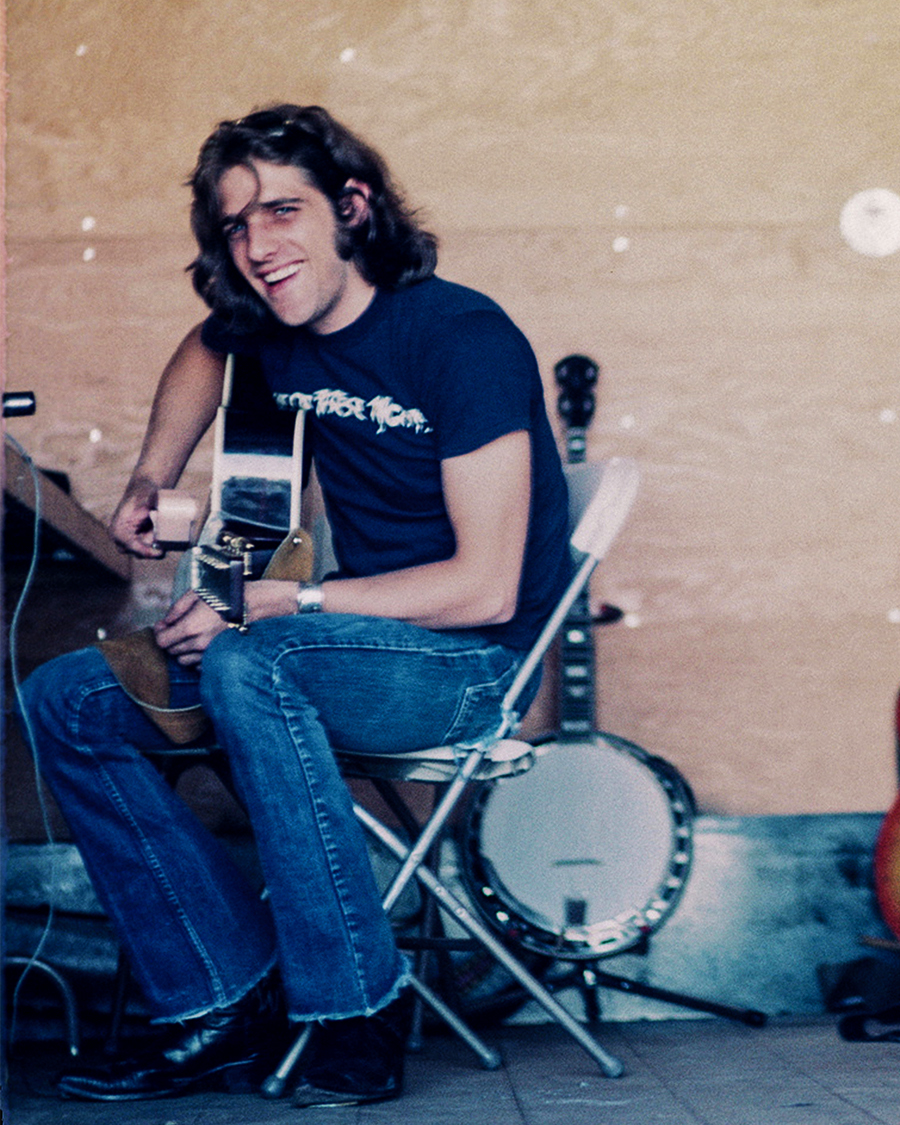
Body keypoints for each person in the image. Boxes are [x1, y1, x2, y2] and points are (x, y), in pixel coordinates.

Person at [17, 104, 572, 1106]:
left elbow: (484, 586)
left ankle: (355, 1009)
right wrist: (151, 473)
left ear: (352, 209)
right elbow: (202, 347)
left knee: (249, 659)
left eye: (282, 211)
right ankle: (221, 1000)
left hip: (471, 666)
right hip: (334, 647)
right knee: (63, 698)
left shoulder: (462, 337)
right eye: (235, 224)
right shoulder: (271, 332)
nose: (258, 246)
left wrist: (283, 600)